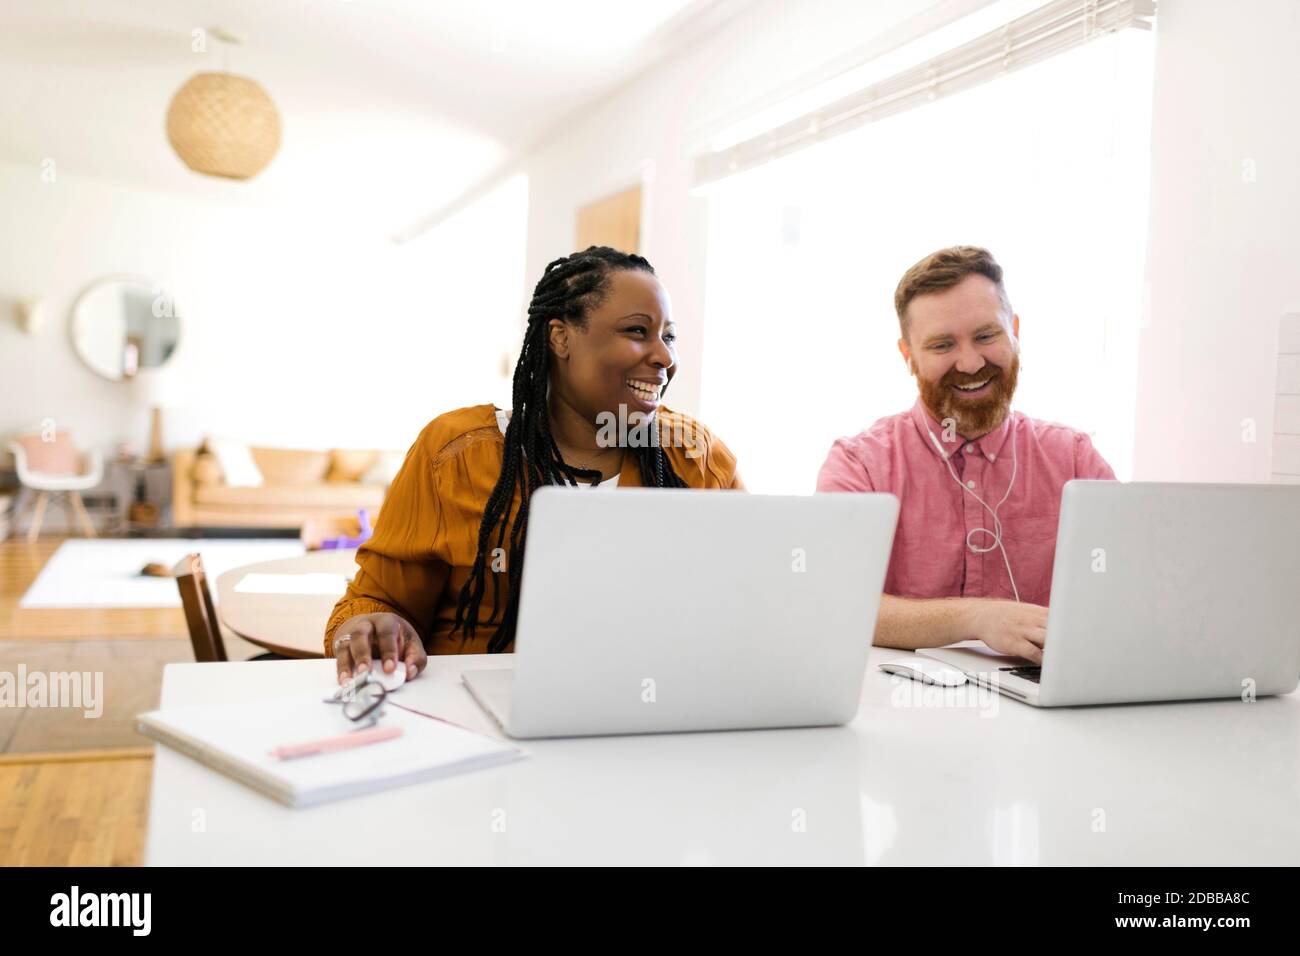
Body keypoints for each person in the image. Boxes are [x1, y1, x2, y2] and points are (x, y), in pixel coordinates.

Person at [325, 246, 743, 683]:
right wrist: (370, 626)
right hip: (470, 718)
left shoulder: (695, 456)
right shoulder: (455, 455)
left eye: (669, 337)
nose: (664, 357)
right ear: (560, 338)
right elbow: (378, 602)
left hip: (652, 708)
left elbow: (753, 594)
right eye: (638, 331)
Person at [816, 246, 1115, 663]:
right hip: (902, 710)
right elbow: (836, 603)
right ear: (908, 356)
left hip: (1050, 708)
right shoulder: (858, 465)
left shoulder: (1076, 460)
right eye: (942, 345)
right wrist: (977, 618)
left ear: (1014, 330)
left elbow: (1127, 595)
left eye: (986, 336)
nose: (971, 363)